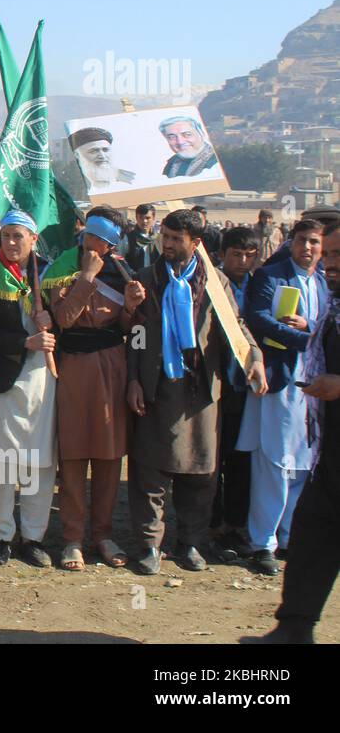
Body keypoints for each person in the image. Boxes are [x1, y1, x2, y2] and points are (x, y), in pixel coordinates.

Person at [126, 208, 266, 575]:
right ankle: (148, 546)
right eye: (165, 237)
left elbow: (235, 328)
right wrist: (134, 380)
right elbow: (135, 337)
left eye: (176, 240)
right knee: (149, 473)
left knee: (200, 472)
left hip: (201, 391)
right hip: (156, 389)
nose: (168, 245)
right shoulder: (145, 280)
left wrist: (254, 356)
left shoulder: (215, 284)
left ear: (196, 243)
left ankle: (190, 542)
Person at [247, 221, 340, 643]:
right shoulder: (321, 295)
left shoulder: (327, 289)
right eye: (329, 253)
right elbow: (261, 319)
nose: (328, 261)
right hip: (319, 423)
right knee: (309, 525)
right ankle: (293, 624)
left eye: (333, 253)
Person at [41, 206, 144, 570]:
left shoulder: (122, 272)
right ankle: (72, 538)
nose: (95, 242)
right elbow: (64, 319)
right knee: (73, 455)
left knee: (108, 456)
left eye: (104, 238)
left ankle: (102, 534)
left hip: (112, 369)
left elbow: (129, 328)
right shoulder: (61, 269)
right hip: (74, 369)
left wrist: (130, 308)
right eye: (92, 234)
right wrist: (85, 277)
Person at [236, 218, 328, 576]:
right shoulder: (271, 276)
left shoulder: (323, 282)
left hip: (315, 386)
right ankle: (263, 543)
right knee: (274, 463)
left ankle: (289, 536)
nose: (308, 248)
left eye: (314, 243)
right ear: (291, 242)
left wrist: (313, 329)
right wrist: (309, 337)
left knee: (304, 465)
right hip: (281, 383)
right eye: (303, 241)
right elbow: (257, 319)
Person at [0, 210, 57, 568]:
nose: (11, 243)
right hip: (4, 378)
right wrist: (25, 342)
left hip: (43, 379)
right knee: (4, 460)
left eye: (18, 236)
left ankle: (33, 536)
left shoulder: (49, 275)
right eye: (5, 236)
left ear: (34, 240)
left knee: (40, 460)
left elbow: (65, 322)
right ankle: (0, 536)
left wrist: (52, 320)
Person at [210, 226, 259, 561]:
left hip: (249, 389)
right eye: (236, 254)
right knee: (213, 460)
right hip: (217, 384)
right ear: (223, 254)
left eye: (248, 255)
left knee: (242, 460)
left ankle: (237, 525)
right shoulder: (212, 285)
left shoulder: (259, 288)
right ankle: (211, 526)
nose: (242, 261)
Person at [70, 126, 135, 189]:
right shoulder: (71, 181)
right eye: (94, 151)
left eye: (105, 150)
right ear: (77, 155)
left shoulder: (128, 179)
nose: (102, 156)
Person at [123, 203, 158, 274]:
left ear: (153, 218)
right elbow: (121, 261)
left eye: (147, 218)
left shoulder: (160, 239)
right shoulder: (127, 238)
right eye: (141, 217)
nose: (144, 221)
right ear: (136, 218)